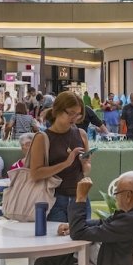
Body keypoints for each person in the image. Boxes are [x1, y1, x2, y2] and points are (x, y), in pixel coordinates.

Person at [34, 172, 133, 265]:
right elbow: (105, 222)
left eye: (117, 193)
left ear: (128, 196)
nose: (115, 198)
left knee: (44, 263)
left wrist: (81, 197)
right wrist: (75, 225)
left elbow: (78, 233)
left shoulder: (131, 220)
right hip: (121, 263)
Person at [26, 91, 91, 222]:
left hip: (80, 197)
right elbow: (35, 173)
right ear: (57, 110)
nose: (74, 118)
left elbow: (86, 170)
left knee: (83, 241)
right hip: (54, 199)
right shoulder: (42, 138)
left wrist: (85, 163)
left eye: (78, 114)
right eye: (71, 113)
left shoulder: (81, 134)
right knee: (57, 240)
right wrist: (66, 163)